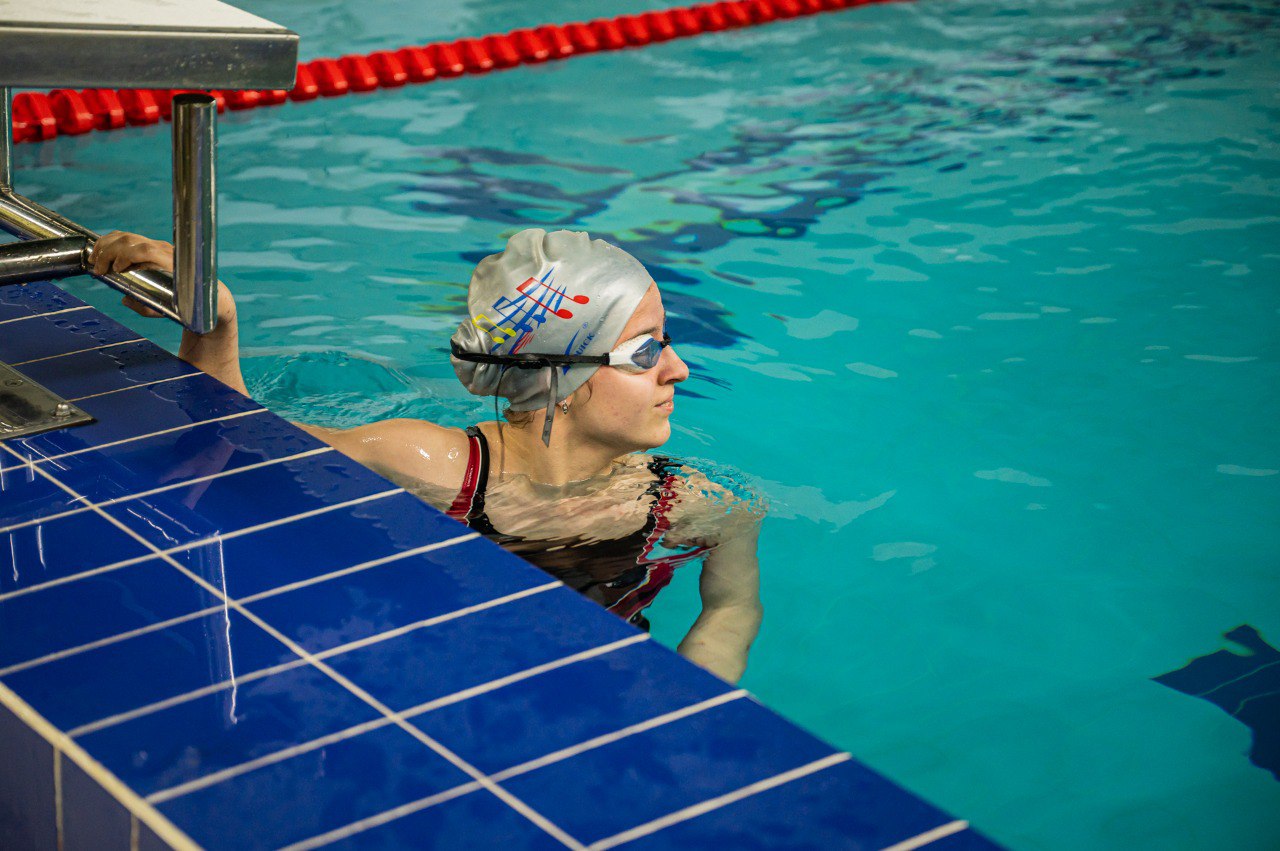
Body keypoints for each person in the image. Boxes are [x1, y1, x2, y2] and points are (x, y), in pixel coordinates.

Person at [89, 228, 764, 684]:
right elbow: (230, 436)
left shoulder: (695, 505)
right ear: (559, 376)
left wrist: (689, 704)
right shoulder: (430, 465)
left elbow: (730, 607)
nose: (678, 369)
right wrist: (218, 319)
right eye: (646, 350)